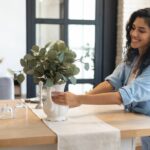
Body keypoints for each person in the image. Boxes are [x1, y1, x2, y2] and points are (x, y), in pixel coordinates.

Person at [52, 8, 150, 150]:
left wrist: (79, 99)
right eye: (133, 28)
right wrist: (84, 98)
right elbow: (111, 83)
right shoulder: (133, 57)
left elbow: (122, 96)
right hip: (140, 126)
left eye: (141, 31)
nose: (134, 34)